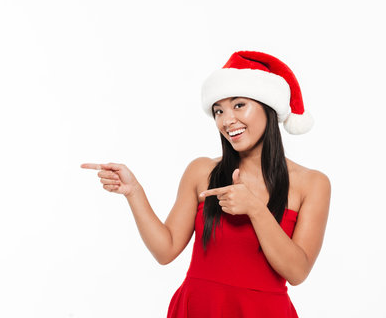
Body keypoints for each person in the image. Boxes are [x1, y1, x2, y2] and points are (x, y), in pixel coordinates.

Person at [81, 51, 330, 317]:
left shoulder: (312, 183)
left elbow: (297, 272)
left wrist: (255, 209)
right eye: (218, 111)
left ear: (268, 106)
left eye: (238, 105)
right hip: (198, 307)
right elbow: (166, 250)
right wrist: (134, 192)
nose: (227, 120)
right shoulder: (202, 170)